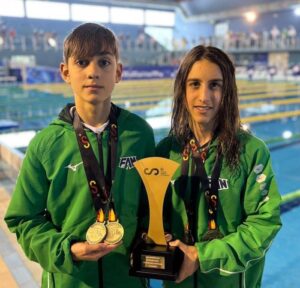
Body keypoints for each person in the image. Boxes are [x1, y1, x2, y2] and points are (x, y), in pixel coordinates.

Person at [5, 23, 155, 288]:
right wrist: (68, 250)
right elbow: (23, 219)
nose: (93, 72)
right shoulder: (45, 144)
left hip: (127, 279)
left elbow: (151, 206)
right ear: (66, 72)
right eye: (82, 62)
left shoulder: (139, 134)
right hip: (70, 280)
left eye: (104, 62)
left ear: (118, 72)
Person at [156, 45, 282, 288]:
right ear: (182, 89)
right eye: (194, 84)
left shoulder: (252, 151)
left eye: (214, 85)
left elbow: (264, 223)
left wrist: (202, 256)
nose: (204, 97)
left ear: (228, 92)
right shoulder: (166, 151)